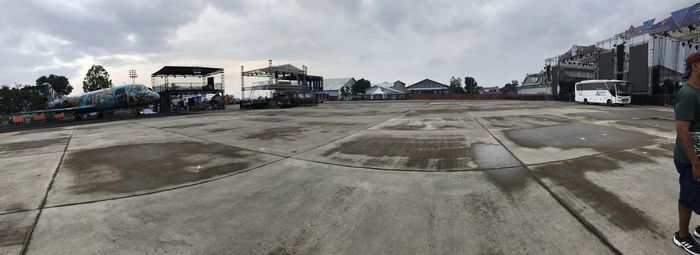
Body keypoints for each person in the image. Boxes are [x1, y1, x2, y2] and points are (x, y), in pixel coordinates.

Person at [674, 52, 700, 254]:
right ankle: (682, 236)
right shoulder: (688, 94)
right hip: (690, 159)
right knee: (688, 196)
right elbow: (682, 131)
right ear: (696, 66)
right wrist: (695, 163)